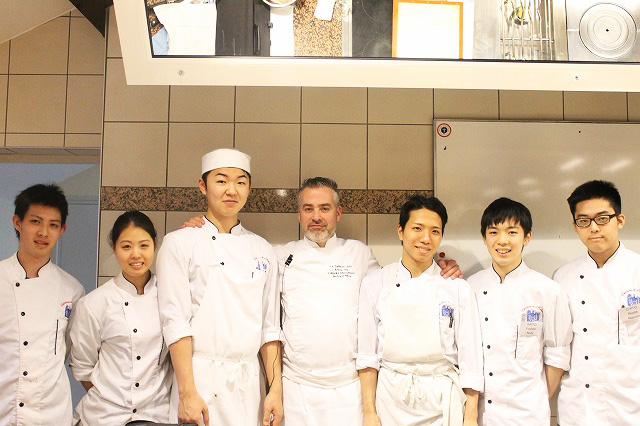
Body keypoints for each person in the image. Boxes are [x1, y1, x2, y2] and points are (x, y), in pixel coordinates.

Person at [181, 178, 462, 425]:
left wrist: (440, 267)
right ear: (299, 215)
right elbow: (232, 272)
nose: (316, 217)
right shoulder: (279, 256)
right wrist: (203, 232)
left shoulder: (359, 254)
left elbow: (395, 287)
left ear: (338, 213)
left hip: (349, 388)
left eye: (324, 209)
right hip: (296, 388)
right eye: (308, 209)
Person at [156, 148, 283, 426]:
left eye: (240, 182)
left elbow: (270, 329)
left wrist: (275, 391)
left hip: (249, 385)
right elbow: (175, 323)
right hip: (200, 382)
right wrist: (187, 392)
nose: (231, 190)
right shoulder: (180, 242)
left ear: (249, 189)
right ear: (203, 186)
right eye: (221, 180)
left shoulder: (263, 249)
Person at [357, 195, 483, 426]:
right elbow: (367, 356)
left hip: (441, 401)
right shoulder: (375, 283)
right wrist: (369, 412)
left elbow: (471, 358)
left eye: (435, 231)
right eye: (417, 228)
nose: (426, 238)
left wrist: (471, 416)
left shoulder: (457, 288)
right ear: (400, 231)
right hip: (390, 400)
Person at [466, 197, 572, 425]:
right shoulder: (469, 288)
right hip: (481, 414)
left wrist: (535, 399)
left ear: (527, 237)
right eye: (494, 232)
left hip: (528, 414)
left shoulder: (548, 291)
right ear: (484, 238)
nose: (502, 240)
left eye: (512, 232)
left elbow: (557, 356)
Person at [70, 211, 172, 425]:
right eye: (126, 247)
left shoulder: (170, 295)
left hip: (156, 414)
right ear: (114, 249)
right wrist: (114, 400)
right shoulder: (94, 303)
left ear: (155, 245)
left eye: (144, 245)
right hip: (105, 417)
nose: (136, 254)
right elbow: (83, 367)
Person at [553, 180, 640, 425]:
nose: (593, 228)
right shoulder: (563, 277)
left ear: (619, 221)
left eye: (602, 219)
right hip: (577, 408)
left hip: (630, 407)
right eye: (584, 221)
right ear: (575, 226)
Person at [0, 183, 85, 425]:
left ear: (62, 230)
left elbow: (77, 356)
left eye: (53, 225)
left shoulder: (72, 290)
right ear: (17, 223)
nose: (44, 232)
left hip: (49, 415)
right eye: (35, 222)